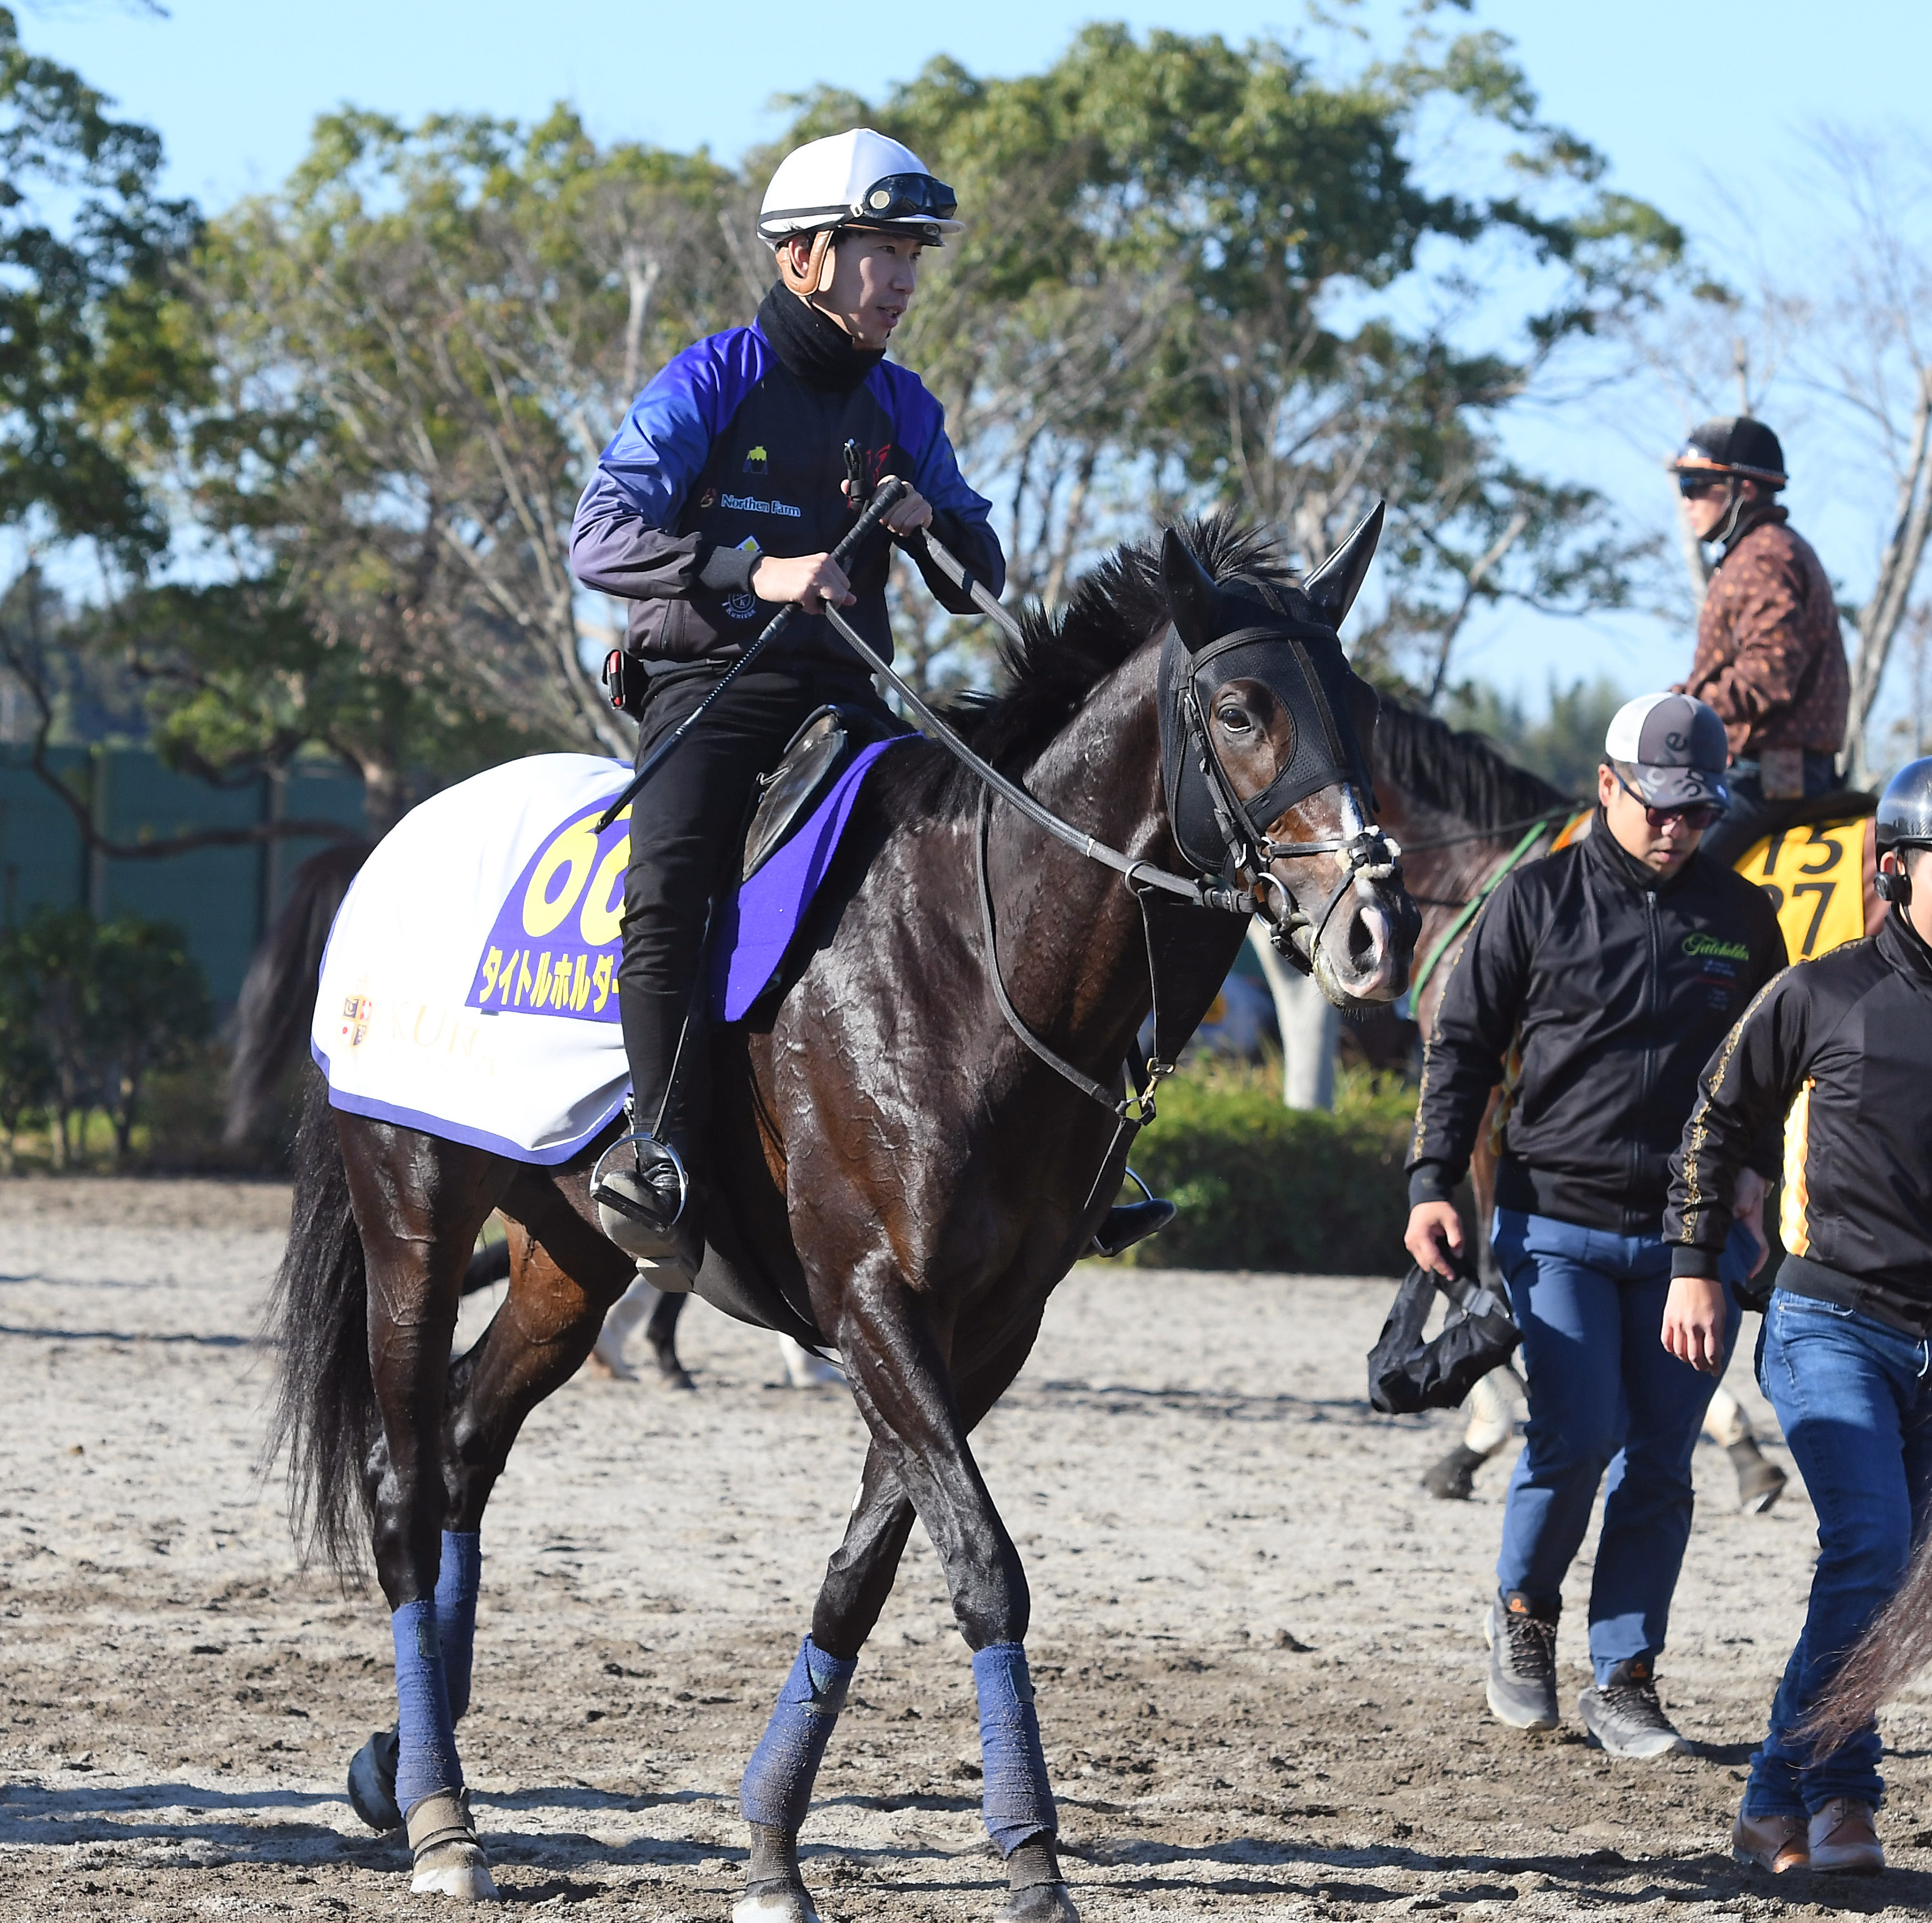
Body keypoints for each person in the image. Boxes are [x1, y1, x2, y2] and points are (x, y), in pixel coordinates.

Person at [567, 128, 1004, 1270]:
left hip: (849, 696)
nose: (904, 279)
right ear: (805, 258)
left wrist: (936, 526)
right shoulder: (707, 380)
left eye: (914, 256)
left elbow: (977, 587)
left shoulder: (905, 407)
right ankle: (655, 1152)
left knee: (982, 864)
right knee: (670, 892)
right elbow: (598, 537)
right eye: (882, 253)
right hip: (709, 687)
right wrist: (747, 572)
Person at [1404, 693, 1787, 1756]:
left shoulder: (1744, 919)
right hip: (1552, 1222)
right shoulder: (1530, 901)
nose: (1673, 827)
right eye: (1654, 804)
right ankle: (1523, 1617)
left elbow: (1766, 1078)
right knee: (1573, 1435)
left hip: (1689, 1245)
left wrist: (1752, 1171)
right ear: (1607, 786)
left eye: (1694, 811)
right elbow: (1461, 1051)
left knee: (1659, 1457)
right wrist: (1431, 1178)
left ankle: (1623, 1675)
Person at [1662, 757, 1932, 1878]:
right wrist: (1692, 1266)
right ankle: (1826, 1792)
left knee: (1892, 1585)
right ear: (1893, 873)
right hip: (1827, 1323)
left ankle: (1794, 1802)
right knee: (1865, 1546)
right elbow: (1713, 1120)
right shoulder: (1818, 995)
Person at [1669, 417, 1850, 868]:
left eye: (1696, 484)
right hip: (1771, 769)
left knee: (1672, 872)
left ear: (1743, 489)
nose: (1686, 500)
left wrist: (1683, 711)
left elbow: (1768, 672)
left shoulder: (1760, 557)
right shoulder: (1763, 551)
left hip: (1767, 777)